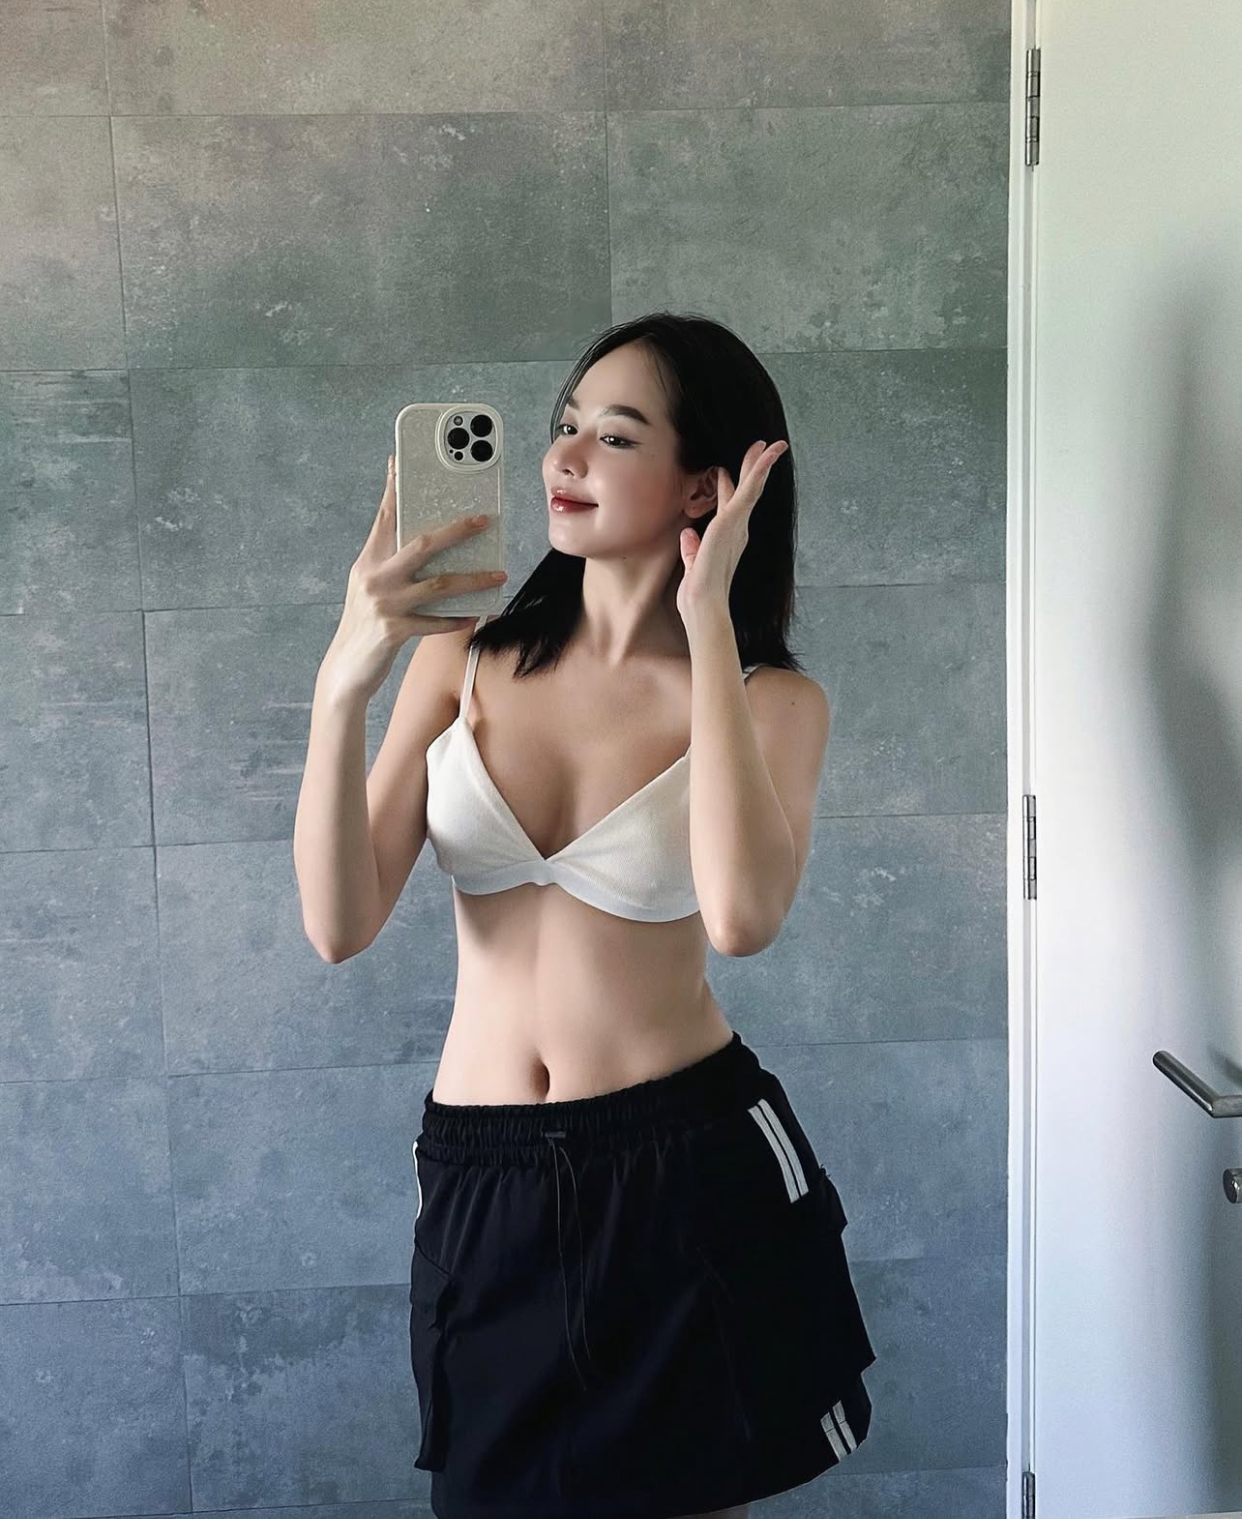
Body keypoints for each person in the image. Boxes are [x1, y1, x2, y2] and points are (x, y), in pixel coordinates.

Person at [294, 312, 878, 1518]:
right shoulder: (460, 659)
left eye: (615, 435)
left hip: (684, 1163)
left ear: (703, 487)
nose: (563, 456)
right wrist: (341, 683)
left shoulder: (772, 698)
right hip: (484, 1172)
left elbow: (743, 917)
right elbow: (339, 923)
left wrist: (708, 621)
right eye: (564, 426)